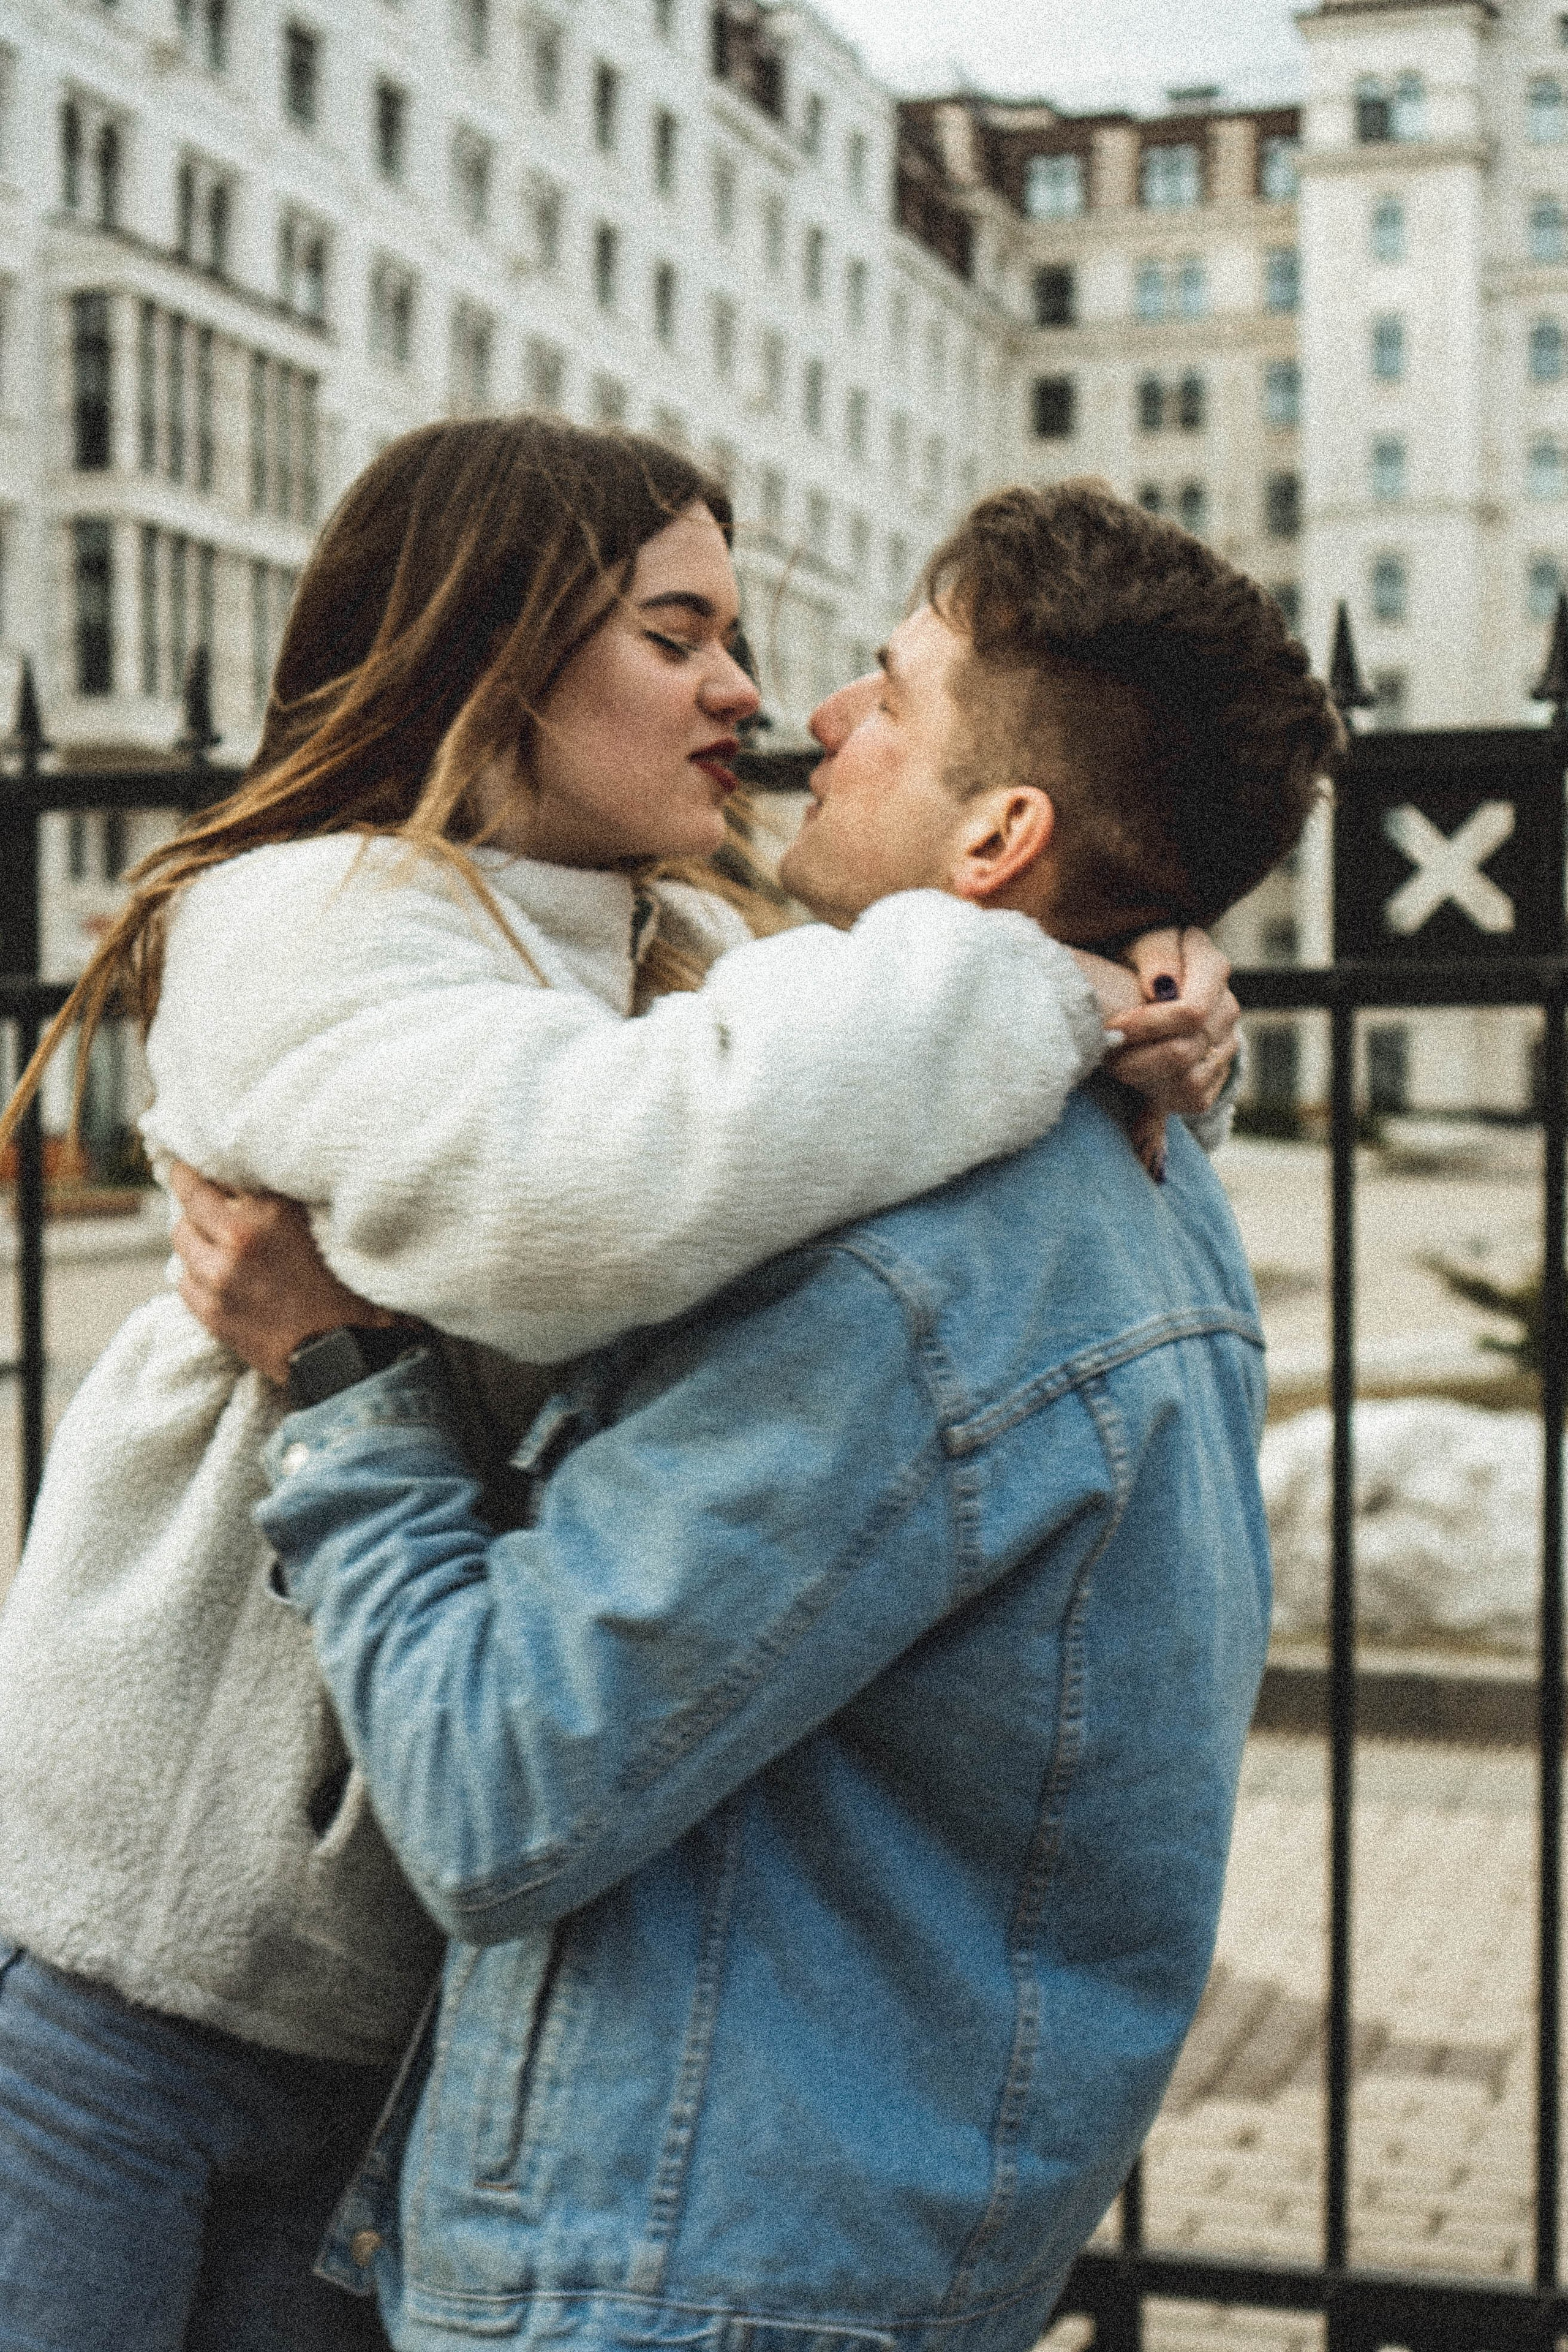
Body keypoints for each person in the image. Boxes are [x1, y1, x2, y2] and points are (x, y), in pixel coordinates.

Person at [0, 429, 1234, 2352]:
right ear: (496, 655)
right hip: (126, 1979)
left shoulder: (695, 953)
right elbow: (577, 1195)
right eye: (680, 634)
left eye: (738, 636)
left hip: (396, 2011)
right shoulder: (310, 916)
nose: (750, 695)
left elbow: (860, 1068)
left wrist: (1153, 976)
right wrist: (1055, 979)